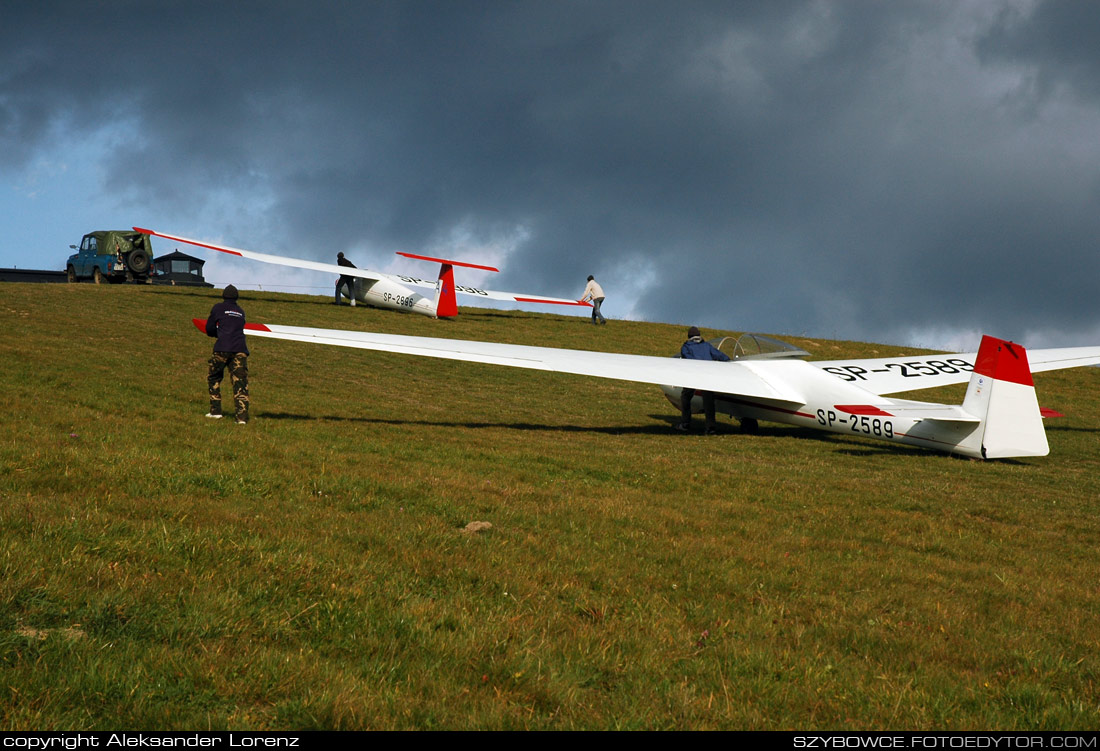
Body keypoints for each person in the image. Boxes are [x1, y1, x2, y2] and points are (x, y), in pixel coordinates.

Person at [204, 284, 250, 424]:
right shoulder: (241, 311)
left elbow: (209, 328)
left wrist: (217, 334)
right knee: (240, 383)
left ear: (223, 296)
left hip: (222, 348)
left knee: (214, 378)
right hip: (240, 350)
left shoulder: (218, 308)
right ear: (236, 297)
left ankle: (215, 411)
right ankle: (241, 418)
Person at [676, 326, 730, 434]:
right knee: (708, 402)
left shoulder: (686, 347)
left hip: (693, 376)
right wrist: (730, 362)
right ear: (699, 335)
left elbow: (687, 359)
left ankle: (685, 423)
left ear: (689, 336)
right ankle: (711, 427)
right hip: (707, 376)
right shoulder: (706, 345)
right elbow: (720, 356)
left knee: (685, 397)